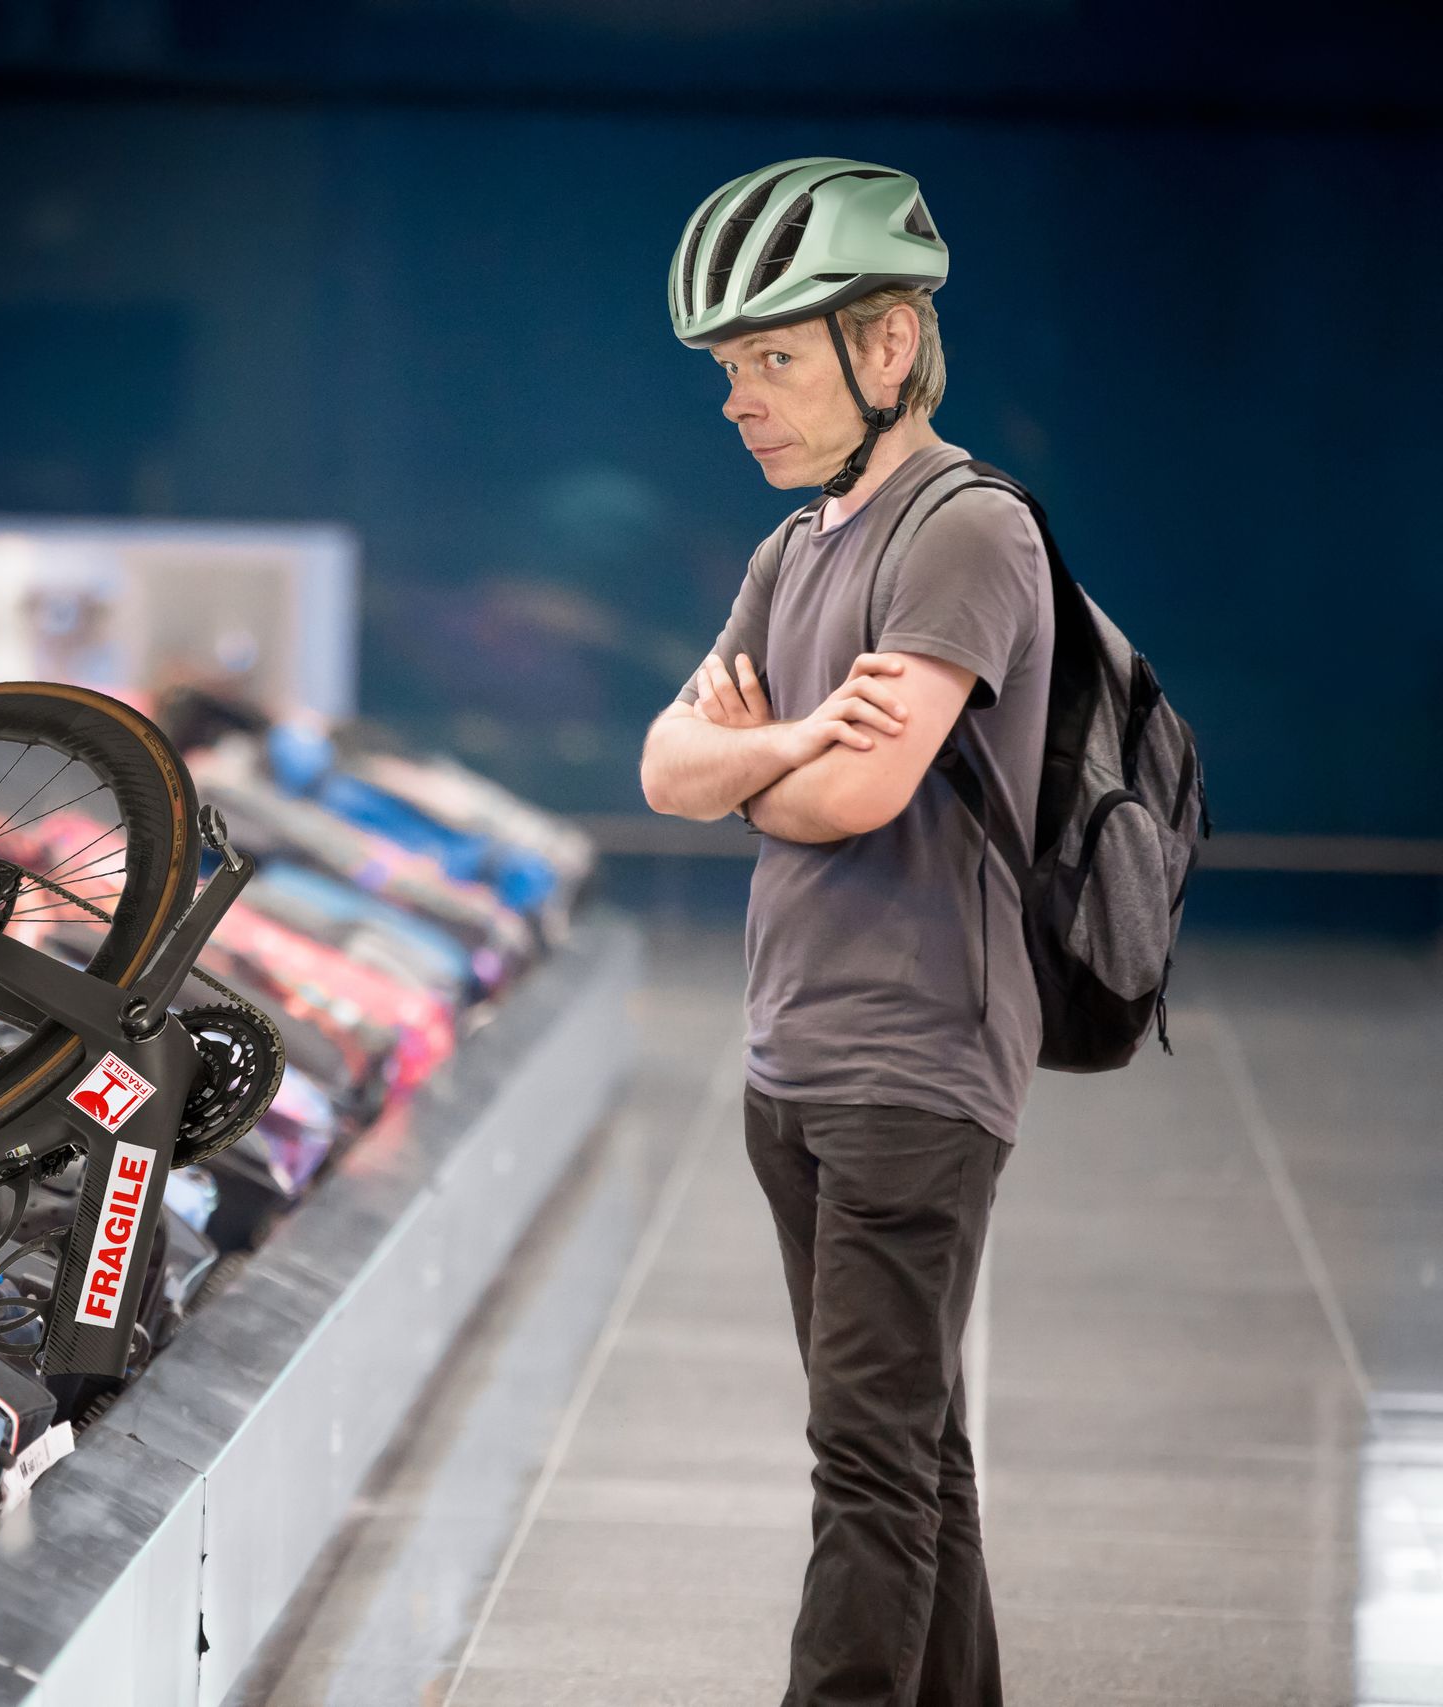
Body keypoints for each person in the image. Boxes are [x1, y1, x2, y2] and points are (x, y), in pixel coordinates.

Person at [638, 158, 1053, 1707]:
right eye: (728, 368)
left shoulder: (965, 532)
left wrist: (760, 757)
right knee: (916, 1448)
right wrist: (789, 744)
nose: (740, 400)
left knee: (867, 1465)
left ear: (887, 344)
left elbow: (862, 792)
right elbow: (661, 768)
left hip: (913, 1068)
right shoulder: (794, 548)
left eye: (773, 358)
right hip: (794, 1058)